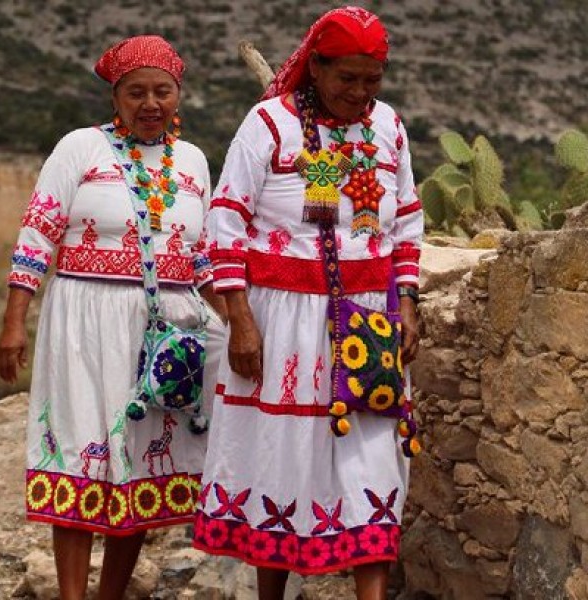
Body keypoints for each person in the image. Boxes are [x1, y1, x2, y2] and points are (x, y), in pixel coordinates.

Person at [193, 7, 423, 600]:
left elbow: (406, 225)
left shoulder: (388, 128)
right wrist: (240, 320)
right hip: (282, 323)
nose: (360, 93)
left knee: (373, 463)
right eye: (347, 77)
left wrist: (408, 304)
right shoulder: (269, 125)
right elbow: (225, 221)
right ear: (315, 67)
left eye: (372, 80)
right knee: (280, 460)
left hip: (367, 322)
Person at [0, 35, 225, 600]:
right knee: (78, 456)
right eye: (135, 92)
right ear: (115, 96)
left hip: (164, 334)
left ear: (179, 94)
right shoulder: (80, 148)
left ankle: (111, 595)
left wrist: (237, 324)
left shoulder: (192, 160)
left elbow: (202, 258)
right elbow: (37, 233)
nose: (151, 103)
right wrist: (13, 321)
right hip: (83, 322)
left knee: (145, 465)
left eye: (161, 91)